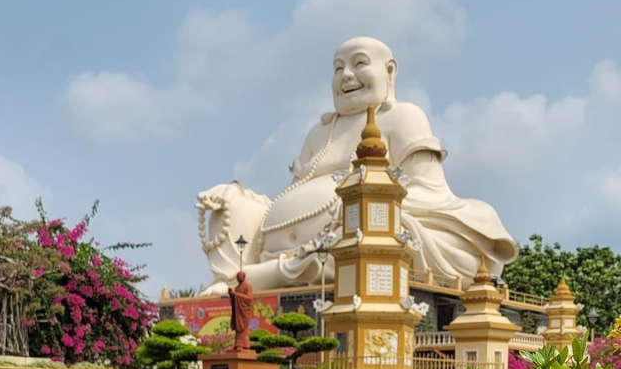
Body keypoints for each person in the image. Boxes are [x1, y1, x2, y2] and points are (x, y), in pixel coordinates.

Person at [197, 37, 517, 294]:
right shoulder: (320, 131)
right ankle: (238, 276)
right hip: (292, 245)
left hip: (353, 235)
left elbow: (428, 191)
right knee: (233, 204)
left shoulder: (403, 116)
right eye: (338, 68)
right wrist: (238, 197)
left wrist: (357, 208)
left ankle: (252, 278)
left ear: (389, 72)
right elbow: (292, 195)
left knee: (377, 229)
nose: (346, 75)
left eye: (359, 63)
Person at [228, 271, 255, 352]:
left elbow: (249, 298)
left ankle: (244, 345)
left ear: (243, 277)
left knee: (243, 329)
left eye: (239, 276)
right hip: (238, 312)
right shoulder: (237, 288)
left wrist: (235, 294)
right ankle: (238, 344)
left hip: (244, 312)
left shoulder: (247, 286)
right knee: (238, 330)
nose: (238, 278)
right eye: (237, 277)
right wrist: (232, 295)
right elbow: (234, 301)